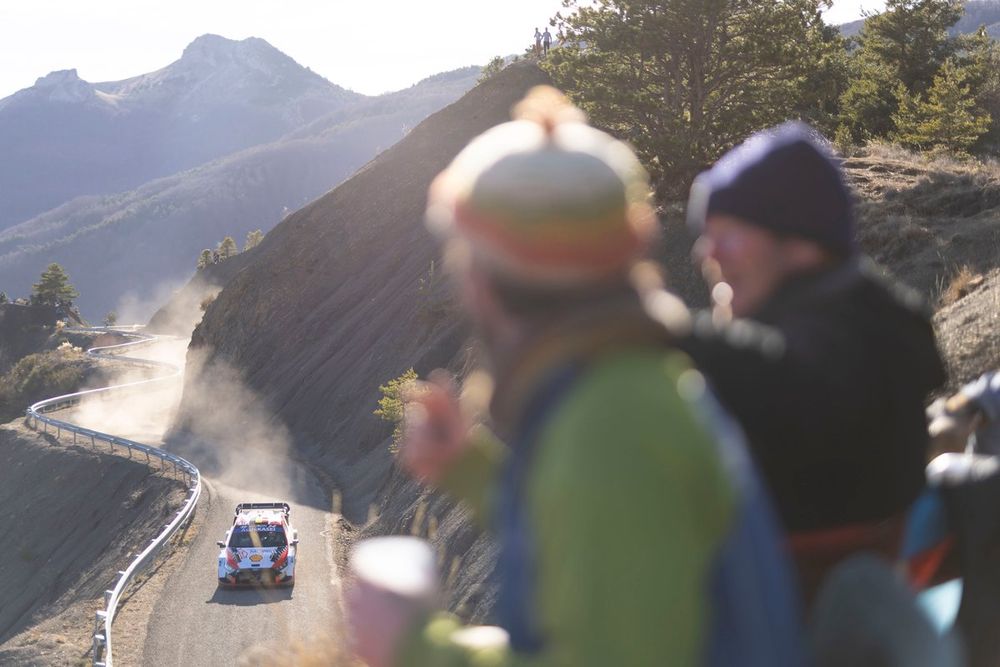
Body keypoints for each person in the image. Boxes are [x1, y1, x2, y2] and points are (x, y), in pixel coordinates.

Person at [346, 86, 805, 666]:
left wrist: (417, 649)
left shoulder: (607, 430)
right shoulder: (631, 382)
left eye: (466, 259)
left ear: (492, 279)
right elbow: (592, 560)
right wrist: (471, 471)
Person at [681, 122, 947, 597]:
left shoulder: (865, 338)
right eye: (708, 234)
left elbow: (800, 383)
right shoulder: (872, 316)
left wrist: (660, 331)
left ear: (801, 244)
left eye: (730, 233)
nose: (708, 253)